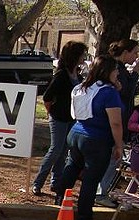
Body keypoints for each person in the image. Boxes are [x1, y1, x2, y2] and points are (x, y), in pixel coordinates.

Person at [55, 55, 124, 220]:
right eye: (116, 69)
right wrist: (119, 145)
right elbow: (115, 123)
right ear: (108, 71)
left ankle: (60, 202)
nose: (118, 72)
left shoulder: (81, 87)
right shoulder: (108, 93)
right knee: (91, 180)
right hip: (97, 139)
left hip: (76, 133)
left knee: (72, 168)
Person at [32, 41, 87, 196]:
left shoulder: (79, 75)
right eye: (82, 54)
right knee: (55, 149)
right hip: (59, 118)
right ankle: (38, 183)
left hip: (72, 119)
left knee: (64, 151)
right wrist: (51, 112)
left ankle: (56, 182)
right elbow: (47, 97)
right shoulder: (61, 75)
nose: (84, 57)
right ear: (74, 55)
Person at [96, 39, 139, 206]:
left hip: (120, 120)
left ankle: (101, 191)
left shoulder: (122, 70)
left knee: (111, 159)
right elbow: (125, 92)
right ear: (125, 52)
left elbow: (129, 92)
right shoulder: (117, 69)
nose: (137, 56)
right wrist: (136, 73)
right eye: (135, 52)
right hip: (115, 121)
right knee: (112, 158)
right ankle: (100, 193)